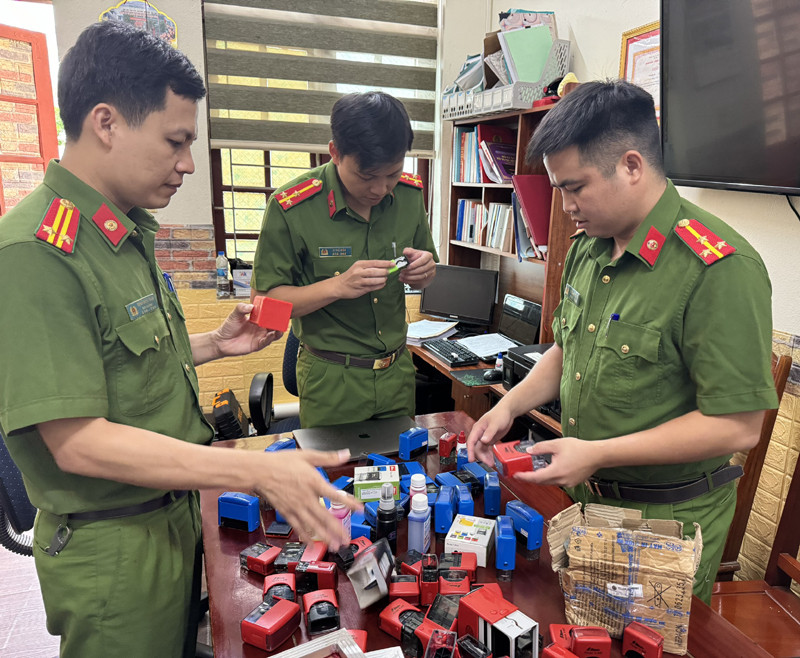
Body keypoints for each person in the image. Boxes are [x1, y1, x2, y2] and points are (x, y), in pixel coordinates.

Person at [0, 21, 357, 658]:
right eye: (176, 141)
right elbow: (76, 440)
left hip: (170, 513)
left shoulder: (122, 229)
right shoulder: (38, 251)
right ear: (106, 123)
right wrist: (253, 470)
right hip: (115, 546)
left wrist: (214, 344)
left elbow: (117, 362)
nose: (189, 163)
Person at [467, 80, 778, 604]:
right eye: (559, 189)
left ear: (631, 165)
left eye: (575, 187)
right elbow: (566, 349)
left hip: (664, 521)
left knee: (637, 639)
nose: (566, 206)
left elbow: (738, 425)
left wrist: (598, 453)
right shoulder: (591, 247)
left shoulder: (718, 268)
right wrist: (509, 405)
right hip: (582, 500)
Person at [251, 91, 438, 428]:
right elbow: (264, 308)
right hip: (331, 381)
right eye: (367, 176)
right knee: (333, 465)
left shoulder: (409, 195)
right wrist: (337, 286)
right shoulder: (292, 207)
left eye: (393, 173)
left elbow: (427, 271)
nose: (381, 188)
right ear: (335, 152)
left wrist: (425, 271)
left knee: (403, 462)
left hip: (397, 374)